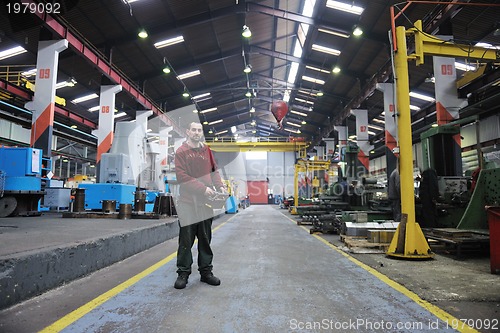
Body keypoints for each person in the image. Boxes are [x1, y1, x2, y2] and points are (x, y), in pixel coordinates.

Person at [173, 122, 226, 289]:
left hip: (205, 203)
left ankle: (206, 272)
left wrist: (220, 186)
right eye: (193, 130)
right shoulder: (181, 152)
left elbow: (214, 171)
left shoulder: (207, 151)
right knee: (186, 240)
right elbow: (182, 177)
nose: (196, 132)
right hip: (188, 202)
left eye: (199, 130)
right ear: (188, 131)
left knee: (205, 239)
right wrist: (204, 189)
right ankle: (183, 273)